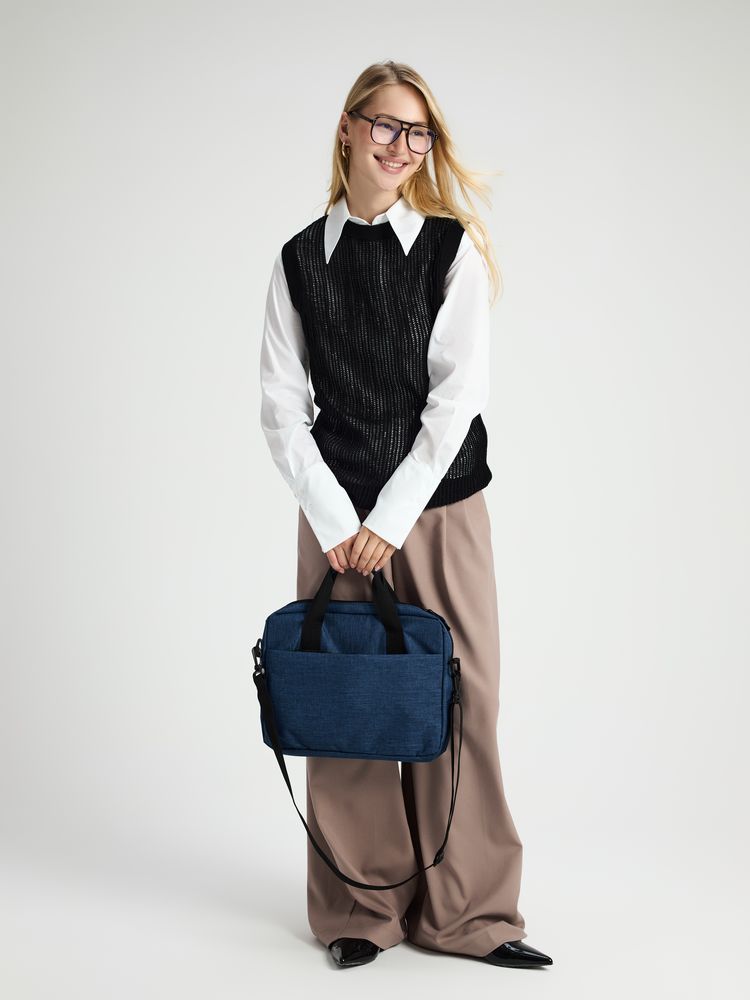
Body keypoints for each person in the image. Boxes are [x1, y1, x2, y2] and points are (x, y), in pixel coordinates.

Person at [259, 59, 553, 971]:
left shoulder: (449, 250)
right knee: (346, 704)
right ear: (348, 128)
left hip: (439, 511)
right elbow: (280, 408)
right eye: (386, 125)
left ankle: (471, 915)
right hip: (334, 520)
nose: (401, 146)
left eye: (417, 132)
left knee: (463, 700)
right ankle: (361, 907)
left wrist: (386, 520)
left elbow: (456, 400)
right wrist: (338, 520)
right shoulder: (297, 261)